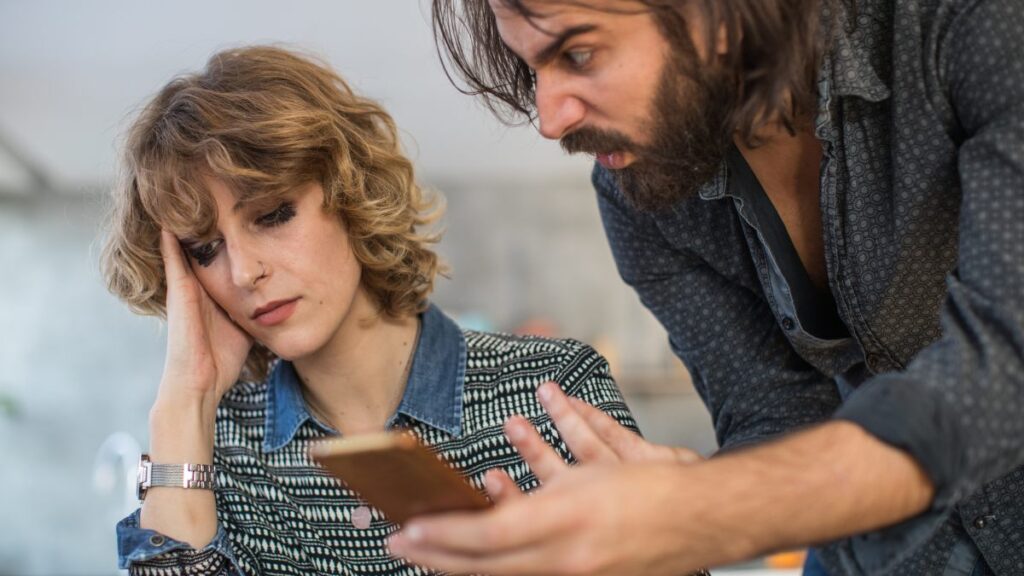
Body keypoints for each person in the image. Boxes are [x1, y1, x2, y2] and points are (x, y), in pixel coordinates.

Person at [386, 1, 1024, 575]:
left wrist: (711, 506)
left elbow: (1005, 365)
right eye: (533, 71)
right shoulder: (640, 192)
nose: (550, 120)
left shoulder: (964, 23)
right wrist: (677, 499)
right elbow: (774, 413)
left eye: (579, 53)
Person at [101, 45, 647, 575]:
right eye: (205, 250)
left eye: (272, 215)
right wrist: (181, 405)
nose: (244, 273)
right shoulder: (213, 446)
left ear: (350, 193)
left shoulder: (553, 386)